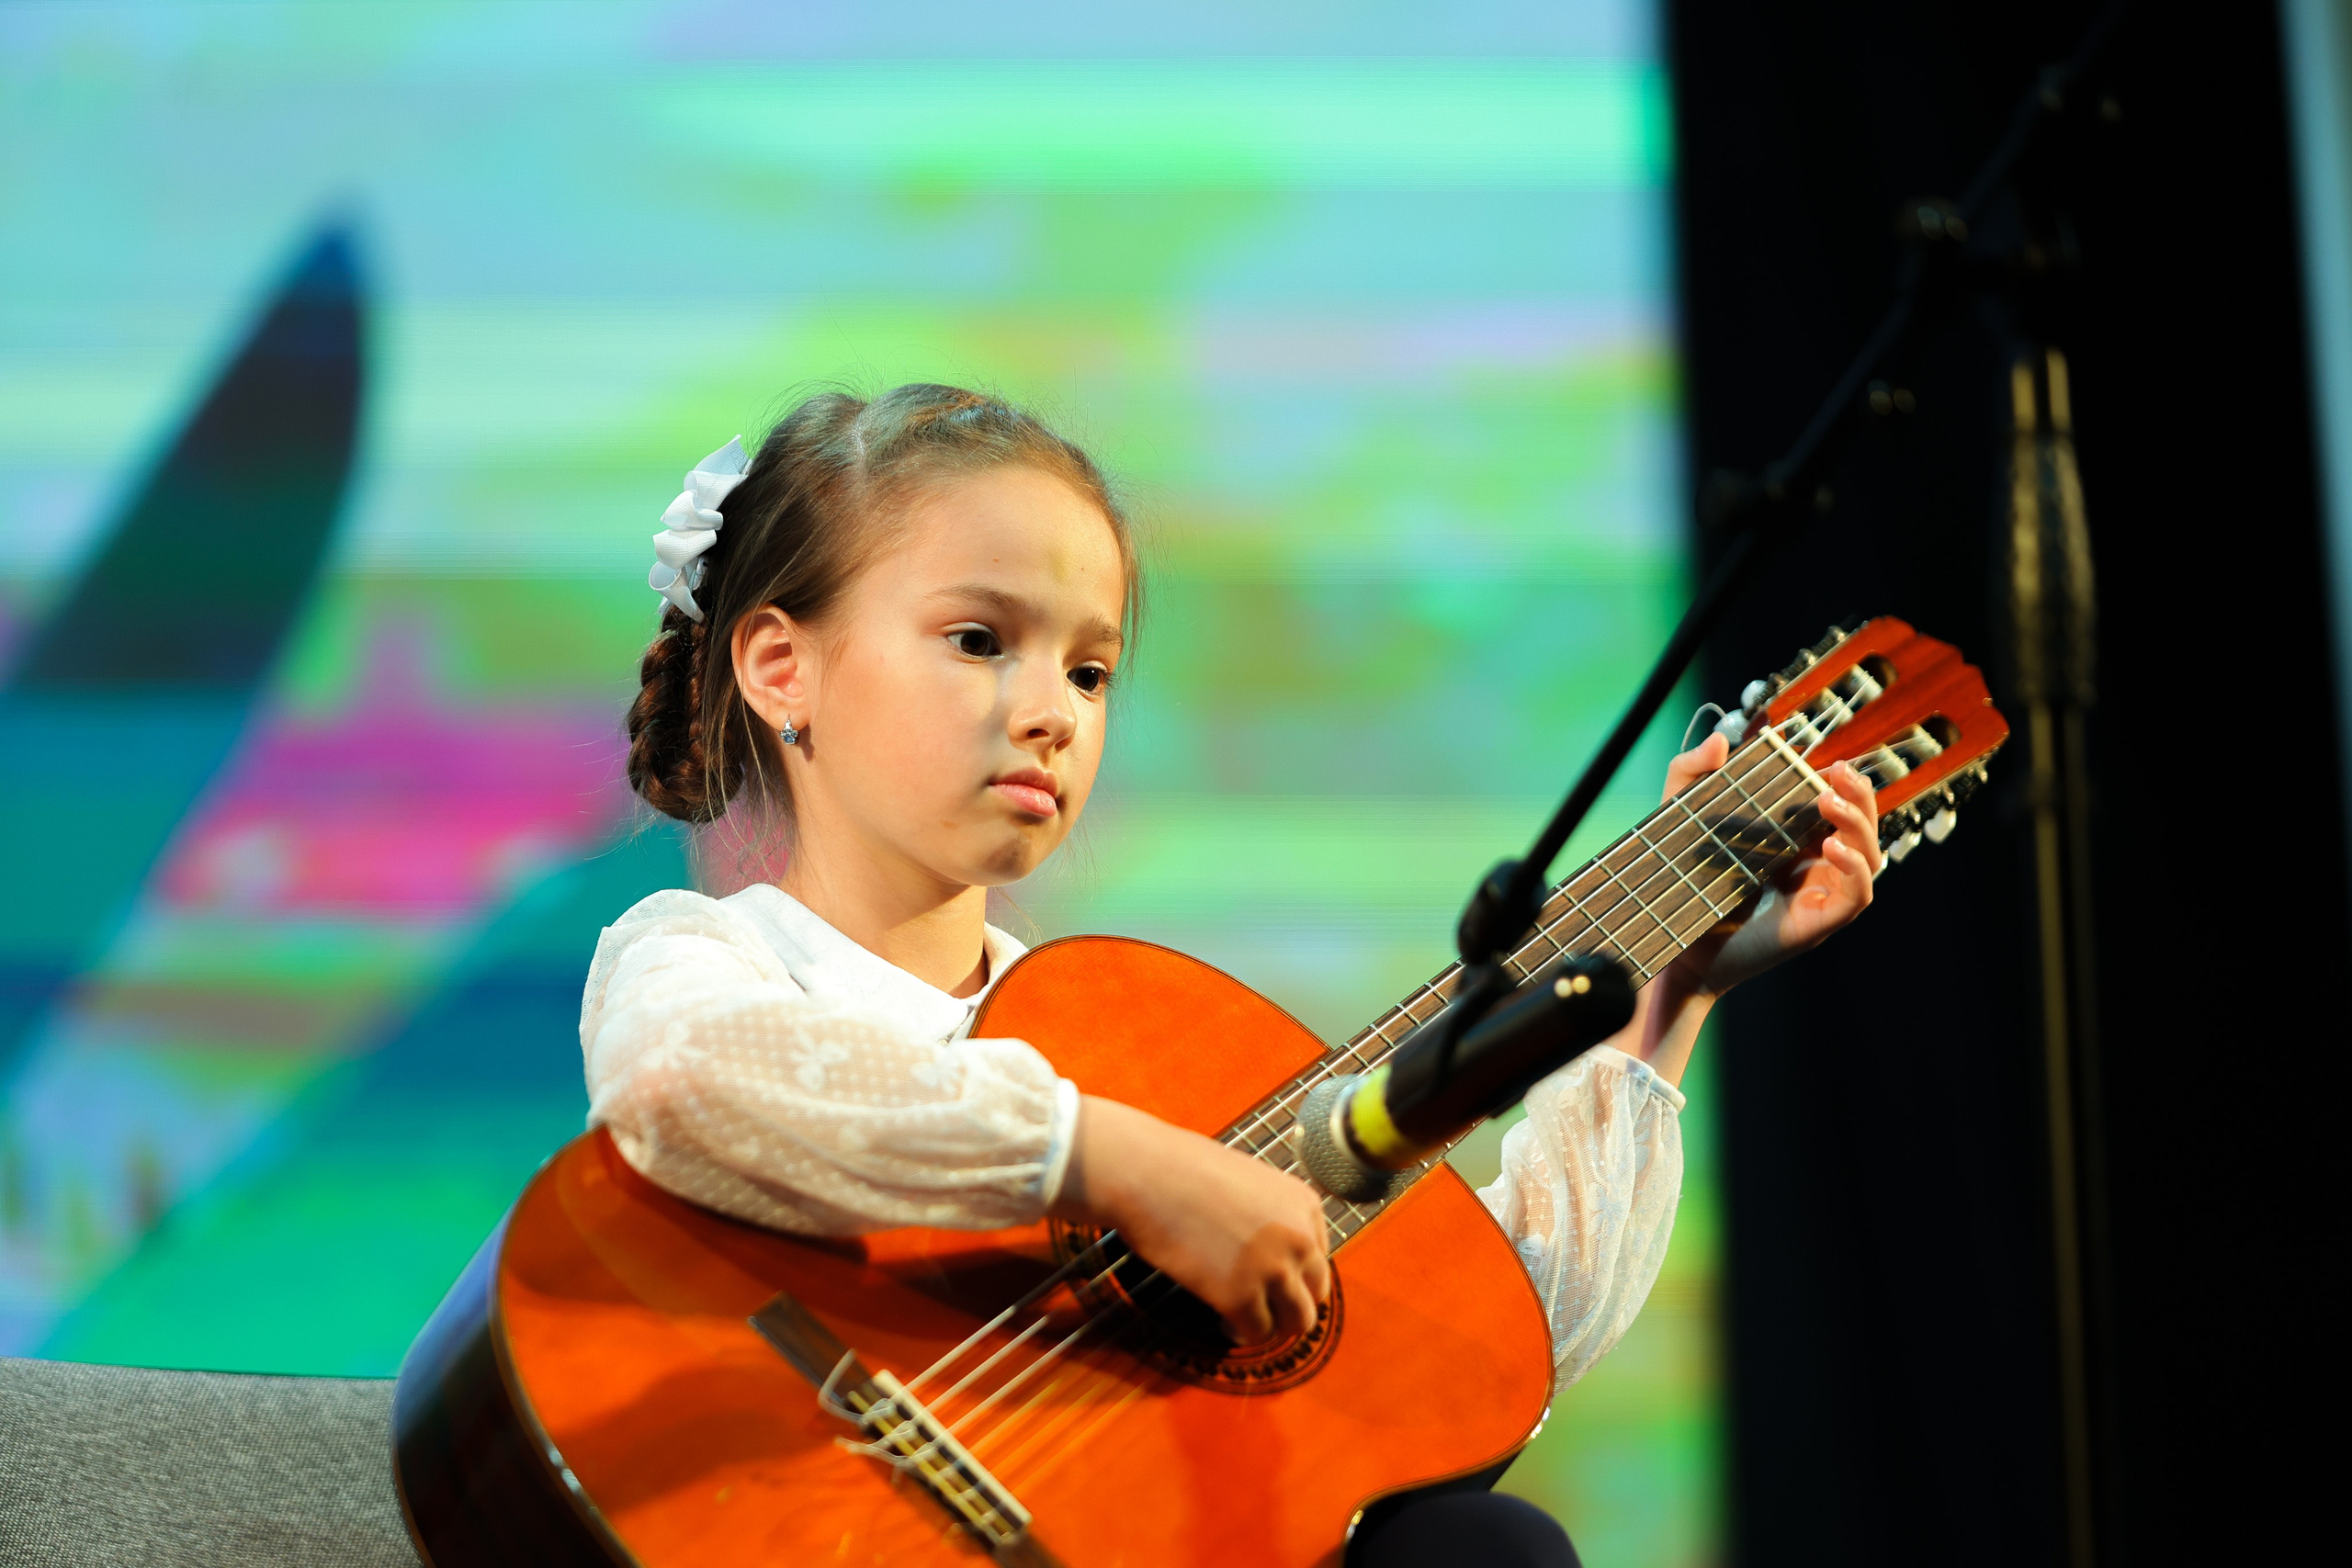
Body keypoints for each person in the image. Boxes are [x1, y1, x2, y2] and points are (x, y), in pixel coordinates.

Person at [582, 384, 1883, 1567]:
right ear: (781, 666)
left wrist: (1670, 998)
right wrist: (1124, 1164)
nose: (1053, 711)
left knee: (1482, 1549)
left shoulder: (1124, 1040)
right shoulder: (707, 956)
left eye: (1091, 671)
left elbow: (1484, 1347)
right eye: (979, 639)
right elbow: (680, 1079)